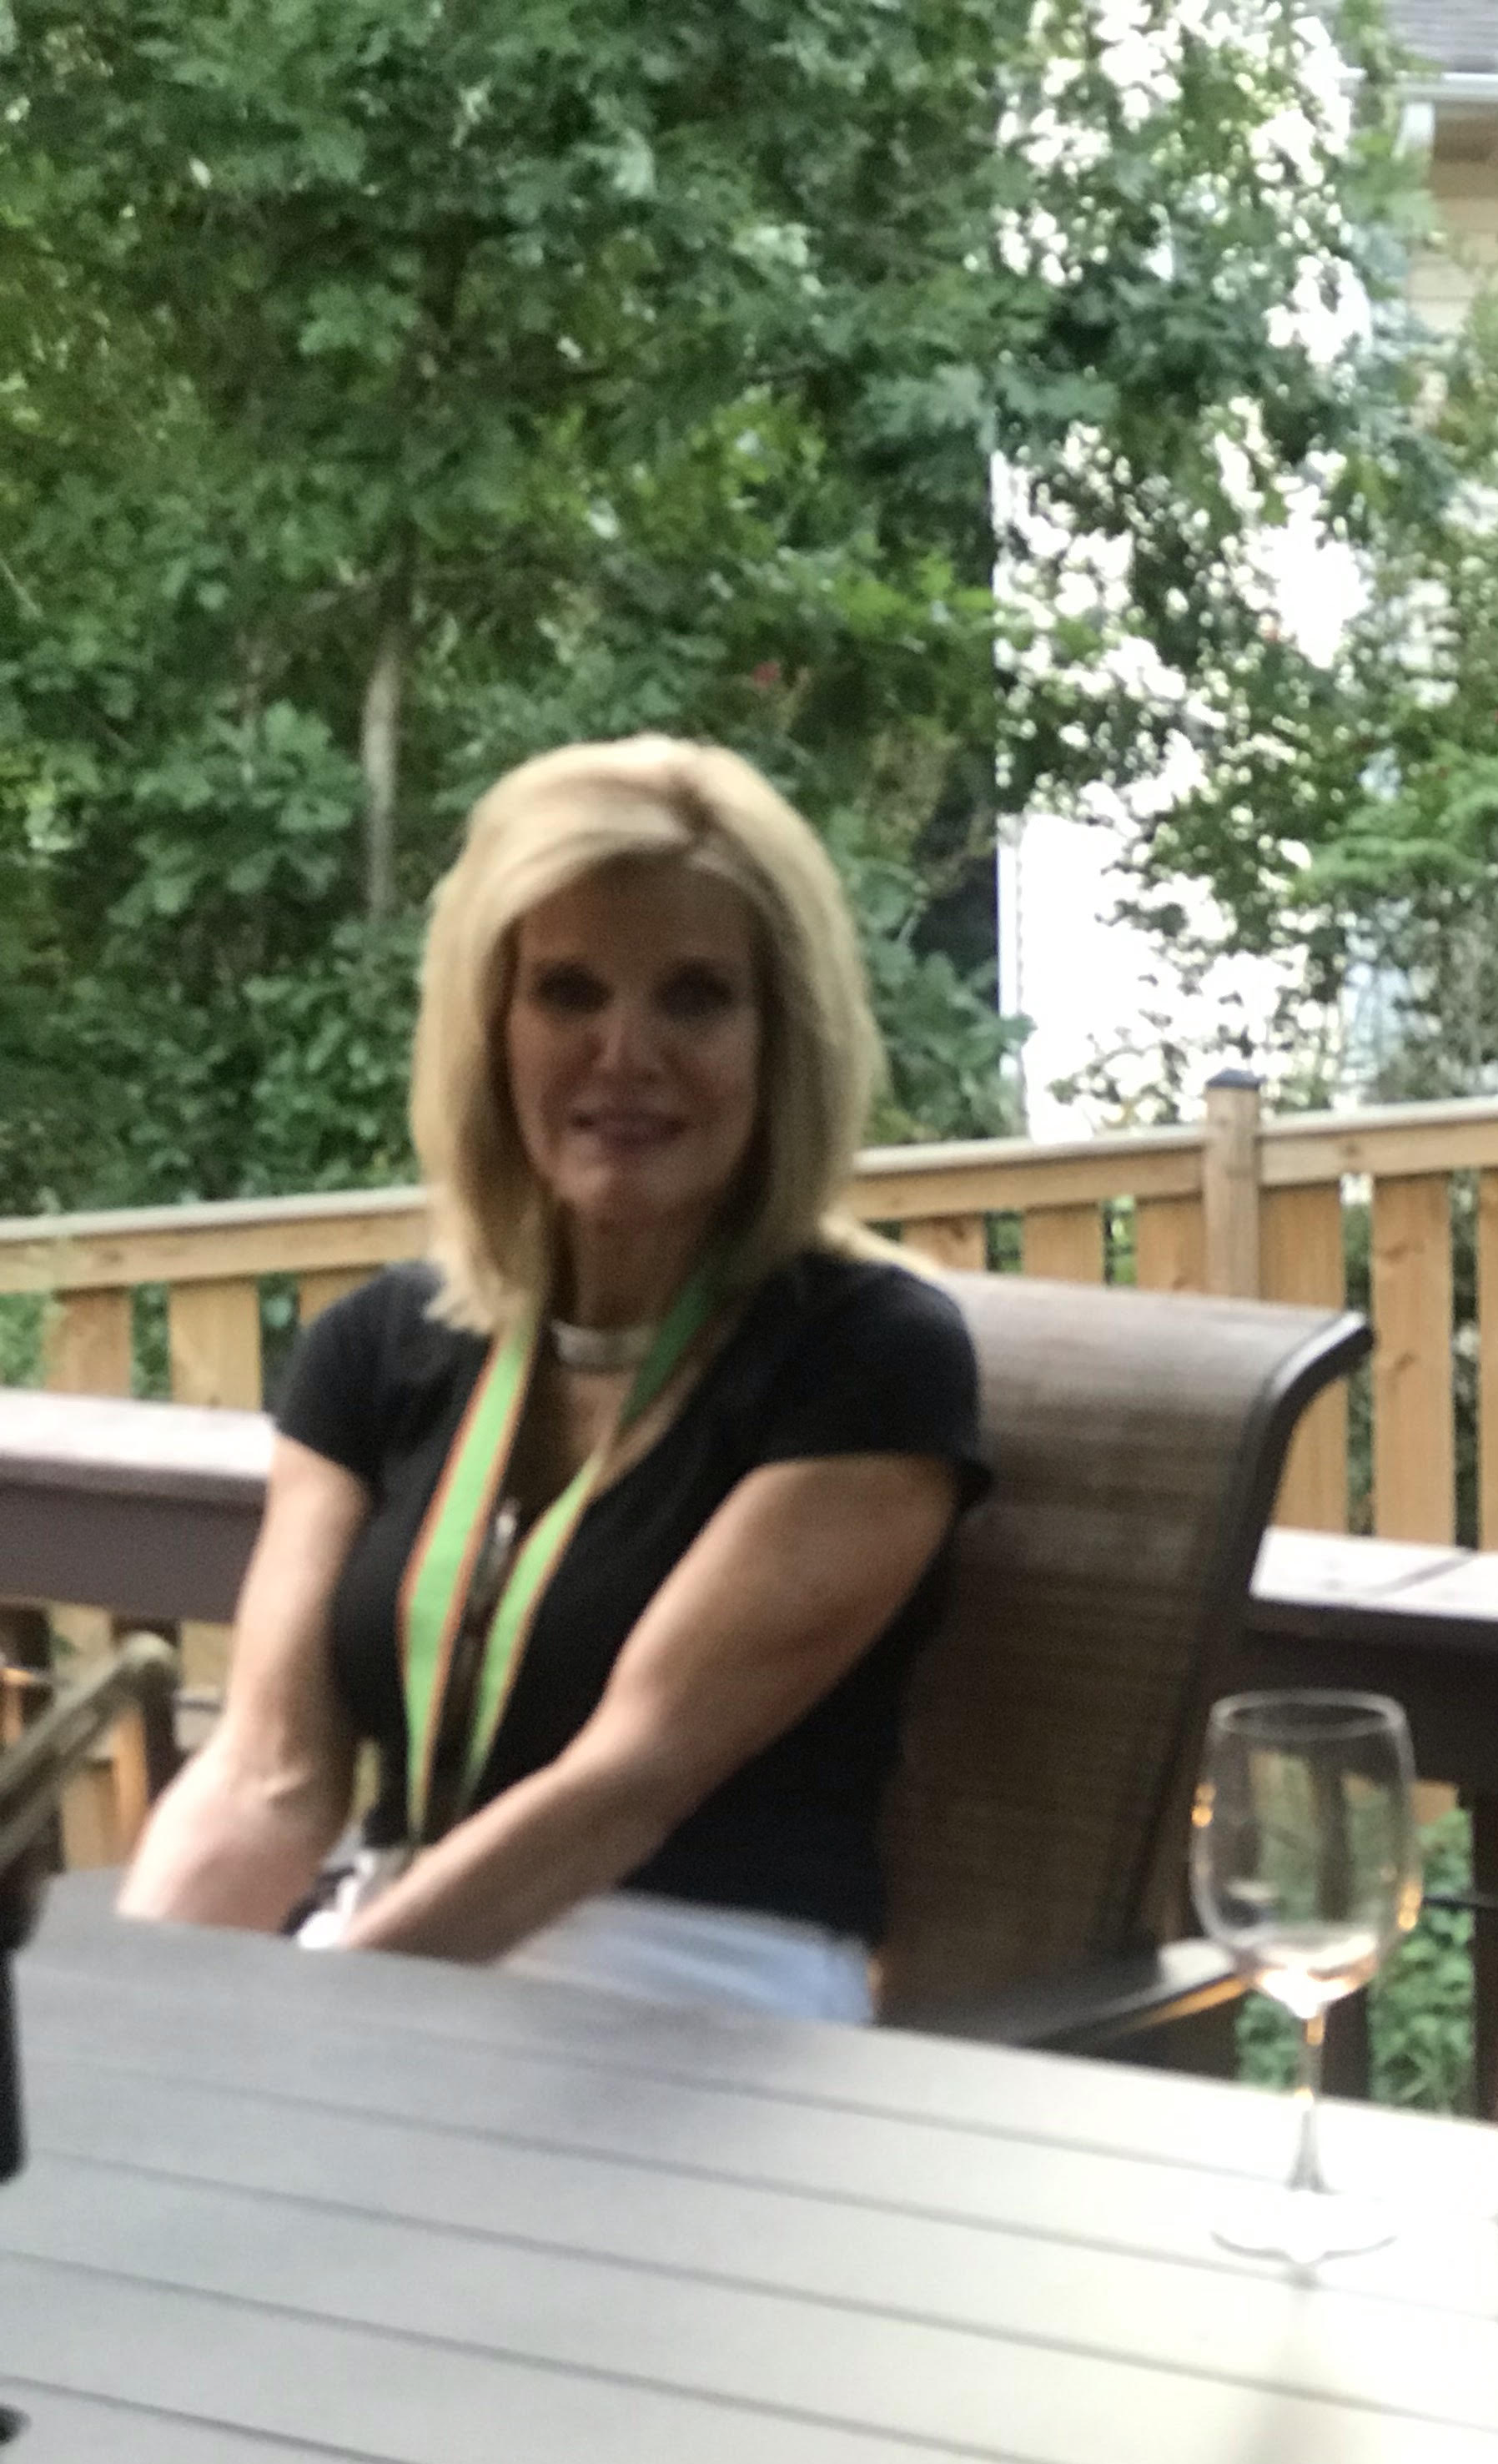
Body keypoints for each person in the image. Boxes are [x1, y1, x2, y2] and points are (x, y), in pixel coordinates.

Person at [119, 738, 988, 2021]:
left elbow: (625, 1787)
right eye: (568, 992)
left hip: (707, 2000)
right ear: (494, 1029)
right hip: (402, 1959)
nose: (624, 1053)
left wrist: (322, 2025)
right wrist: (121, 2020)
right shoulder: (375, 1349)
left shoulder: (868, 1361)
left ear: (782, 1039)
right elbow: (269, 1777)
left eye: (695, 997)